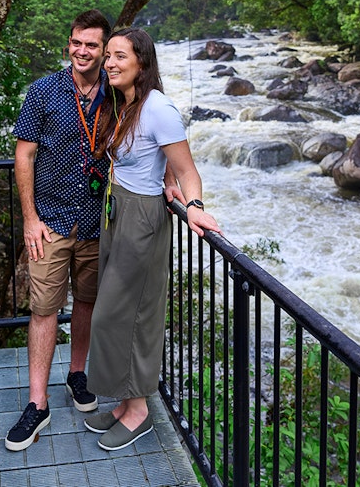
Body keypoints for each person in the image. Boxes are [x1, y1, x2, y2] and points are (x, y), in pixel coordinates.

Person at [84, 27, 221, 451]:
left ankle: (139, 410)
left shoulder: (159, 108)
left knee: (126, 316)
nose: (109, 63)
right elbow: (152, 160)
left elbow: (188, 169)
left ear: (142, 62)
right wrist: (163, 177)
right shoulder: (124, 104)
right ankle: (128, 402)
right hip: (117, 209)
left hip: (142, 219)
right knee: (117, 315)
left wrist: (194, 205)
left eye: (119, 56)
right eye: (108, 55)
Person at [7, 9, 112, 451]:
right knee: (44, 310)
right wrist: (30, 219)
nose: (82, 51)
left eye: (91, 45)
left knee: (86, 303)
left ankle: (77, 375)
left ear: (105, 49)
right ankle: (38, 404)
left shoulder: (117, 94)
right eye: (76, 43)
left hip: (95, 221)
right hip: (48, 223)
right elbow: (23, 156)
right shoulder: (44, 91)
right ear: (68, 43)